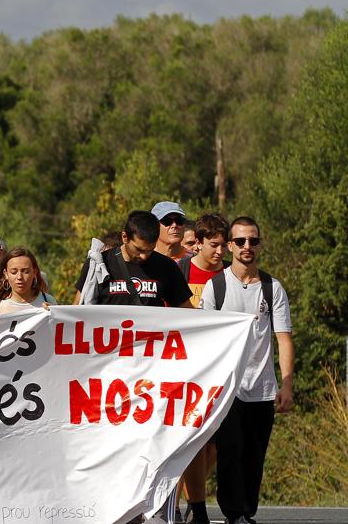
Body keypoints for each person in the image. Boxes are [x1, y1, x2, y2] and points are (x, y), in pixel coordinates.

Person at [201, 217, 295, 524]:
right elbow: (203, 338)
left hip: (262, 387)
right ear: (230, 245)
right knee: (230, 451)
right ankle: (234, 514)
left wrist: (287, 385)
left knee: (254, 455)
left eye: (253, 241)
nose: (247, 247)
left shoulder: (273, 288)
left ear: (260, 245)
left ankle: (246, 511)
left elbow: (283, 338)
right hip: (227, 387)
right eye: (240, 241)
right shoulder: (215, 287)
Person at [176, 212, 229, 524]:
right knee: (194, 440)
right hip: (185, 368)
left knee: (212, 447)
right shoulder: (180, 271)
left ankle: (190, 495)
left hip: (220, 367)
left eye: (224, 245)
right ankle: (195, 507)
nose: (220, 251)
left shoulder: (229, 276)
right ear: (198, 243)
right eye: (215, 244)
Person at [77, 211, 193, 309]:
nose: (144, 256)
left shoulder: (167, 266)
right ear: (125, 237)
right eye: (138, 249)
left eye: (150, 250)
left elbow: (187, 312)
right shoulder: (100, 263)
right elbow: (78, 307)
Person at [0, 248, 56, 316]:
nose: (19, 277)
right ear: (6, 274)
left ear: (34, 272)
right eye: (13, 272)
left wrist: (53, 314)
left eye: (25, 271)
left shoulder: (48, 301)